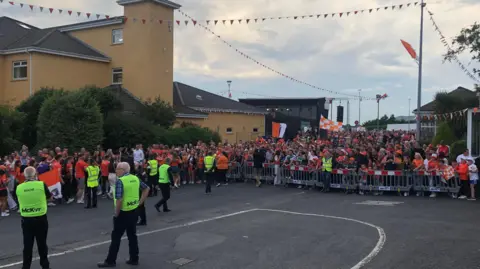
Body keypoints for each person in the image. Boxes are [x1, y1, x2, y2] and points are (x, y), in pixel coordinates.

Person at [97, 162, 149, 268]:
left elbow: (119, 199)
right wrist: (140, 202)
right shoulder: (135, 178)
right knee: (132, 236)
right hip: (134, 210)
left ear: (123, 170)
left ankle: (111, 261)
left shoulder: (120, 181)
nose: (116, 171)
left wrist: (116, 213)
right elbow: (146, 188)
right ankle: (134, 258)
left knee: (116, 237)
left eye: (117, 169)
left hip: (123, 212)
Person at [16, 166, 52, 269]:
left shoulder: (19, 187)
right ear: (35, 174)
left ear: (24, 176)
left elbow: (19, 198)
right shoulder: (41, 184)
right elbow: (49, 198)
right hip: (41, 218)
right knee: (42, 244)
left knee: (27, 246)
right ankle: (45, 266)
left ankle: (26, 267)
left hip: (26, 220)